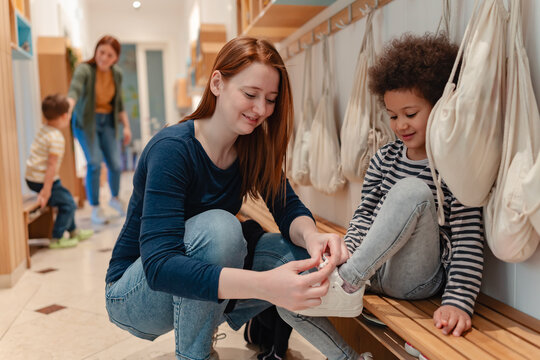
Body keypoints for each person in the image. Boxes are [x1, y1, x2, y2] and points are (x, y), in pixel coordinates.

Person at [105, 37, 353, 360]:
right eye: (250, 95)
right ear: (217, 83)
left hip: (186, 281)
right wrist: (265, 286)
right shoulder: (172, 150)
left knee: (294, 253)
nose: (261, 110)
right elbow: (159, 266)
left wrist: (313, 236)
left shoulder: (252, 146)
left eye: (271, 99)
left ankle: (345, 356)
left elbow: (286, 206)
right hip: (134, 294)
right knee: (221, 229)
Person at [277, 33, 485, 357]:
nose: (400, 124)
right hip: (370, 270)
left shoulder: (454, 165)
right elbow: (363, 216)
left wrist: (458, 302)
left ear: (441, 105)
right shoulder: (384, 157)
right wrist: (341, 258)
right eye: (392, 115)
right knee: (288, 298)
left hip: (414, 279)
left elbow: (468, 239)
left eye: (410, 113)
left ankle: (346, 283)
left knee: (412, 191)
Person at [68, 35, 132, 225]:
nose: (104, 57)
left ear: (116, 59)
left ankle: (114, 199)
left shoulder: (116, 74)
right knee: (95, 163)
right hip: (87, 123)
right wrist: (69, 106)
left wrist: (126, 126)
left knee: (115, 164)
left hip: (108, 123)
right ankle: (96, 207)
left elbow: (119, 103)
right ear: (96, 51)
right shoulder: (85, 70)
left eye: (110, 55)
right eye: (101, 52)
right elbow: (75, 89)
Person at [25, 94, 94, 249]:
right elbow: (51, 166)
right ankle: (57, 238)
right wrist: (46, 190)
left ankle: (74, 230)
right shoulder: (56, 138)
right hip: (42, 180)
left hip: (32, 177)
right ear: (65, 116)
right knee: (69, 204)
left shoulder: (44, 130)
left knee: (66, 198)